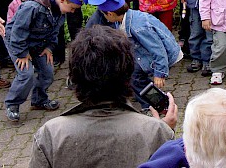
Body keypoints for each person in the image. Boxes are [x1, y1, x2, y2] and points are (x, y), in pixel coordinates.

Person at [28, 25, 178, 168]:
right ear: (128, 74)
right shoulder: (156, 132)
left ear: (74, 77)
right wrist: (163, 132)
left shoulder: (50, 135)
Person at [4, 0, 91, 122]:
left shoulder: (59, 10)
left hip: (39, 44)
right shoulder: (32, 7)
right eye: (72, 8)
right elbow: (18, 31)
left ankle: (39, 100)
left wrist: (49, 47)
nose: (72, 12)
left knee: (47, 72)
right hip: (18, 43)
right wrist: (22, 54)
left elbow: (54, 31)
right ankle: (12, 104)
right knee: (26, 74)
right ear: (63, 0)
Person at [87, 0, 182, 109]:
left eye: (104, 15)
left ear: (110, 14)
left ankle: (156, 104)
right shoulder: (122, 19)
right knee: (128, 72)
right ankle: (145, 97)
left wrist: (160, 73)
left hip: (162, 55)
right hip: (144, 52)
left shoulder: (138, 26)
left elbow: (158, 49)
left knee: (135, 76)